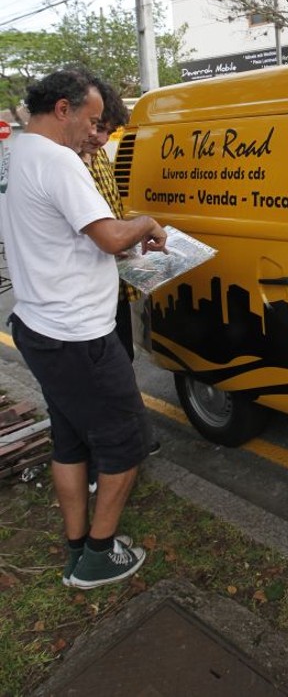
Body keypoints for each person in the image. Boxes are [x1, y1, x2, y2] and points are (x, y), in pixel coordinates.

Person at [3, 70, 168, 590]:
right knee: (126, 444)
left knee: (71, 441)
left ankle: (77, 545)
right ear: (62, 109)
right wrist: (146, 224)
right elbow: (110, 237)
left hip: (38, 325)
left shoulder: (17, 153)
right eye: (93, 121)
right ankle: (99, 555)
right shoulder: (58, 162)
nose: (95, 134)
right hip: (79, 336)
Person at [79, 78, 160, 457]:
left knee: (121, 360)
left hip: (114, 280)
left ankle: (133, 437)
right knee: (102, 373)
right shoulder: (69, 168)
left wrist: (135, 239)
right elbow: (102, 233)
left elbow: (114, 213)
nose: (101, 137)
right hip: (88, 291)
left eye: (108, 131)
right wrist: (136, 230)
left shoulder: (101, 159)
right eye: (97, 128)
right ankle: (115, 449)